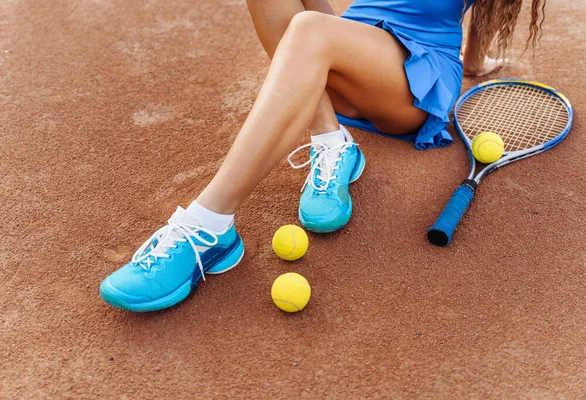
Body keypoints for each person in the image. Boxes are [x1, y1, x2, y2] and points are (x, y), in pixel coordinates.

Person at [100, 0, 546, 312]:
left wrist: (473, 60)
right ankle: (332, 143)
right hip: (355, 47)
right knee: (299, 22)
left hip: (412, 74)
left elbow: (490, 8)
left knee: (311, 31)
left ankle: (207, 227)